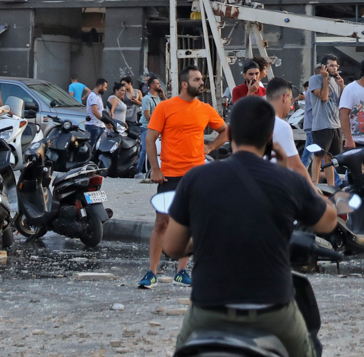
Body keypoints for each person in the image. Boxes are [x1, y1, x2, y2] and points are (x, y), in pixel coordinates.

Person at [164, 96, 337, 357]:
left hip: (209, 310)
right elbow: (328, 221)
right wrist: (291, 175)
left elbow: (172, 246)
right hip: (273, 311)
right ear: (270, 137)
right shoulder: (289, 181)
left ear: (230, 132)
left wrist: (201, 239)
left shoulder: (195, 178)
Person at [140, 66, 229, 289]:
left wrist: (209, 147)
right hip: (169, 175)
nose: (201, 82)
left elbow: (225, 131)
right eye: (197, 79)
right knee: (162, 223)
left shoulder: (206, 109)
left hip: (197, 175)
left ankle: (182, 271)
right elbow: (150, 139)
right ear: (184, 83)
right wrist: (155, 168)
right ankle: (151, 273)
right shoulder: (165, 107)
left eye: (202, 79)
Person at [304, 56, 344, 183]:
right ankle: (315, 185)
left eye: (336, 66)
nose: (335, 68)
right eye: (331, 65)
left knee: (330, 158)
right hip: (321, 125)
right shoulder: (315, 79)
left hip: (335, 125)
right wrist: (325, 78)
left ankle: (331, 186)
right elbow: (324, 97)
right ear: (324, 67)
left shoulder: (336, 81)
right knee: (317, 156)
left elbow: (342, 102)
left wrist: (342, 86)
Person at [266, 79, 313, 185]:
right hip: (275, 186)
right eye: (291, 99)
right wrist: (315, 194)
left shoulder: (256, 121)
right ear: (284, 97)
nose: (290, 104)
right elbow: (296, 166)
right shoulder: (281, 126)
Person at [138, 76, 164, 177]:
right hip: (146, 127)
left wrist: (163, 95)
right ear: (152, 85)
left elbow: (166, 107)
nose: (159, 85)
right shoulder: (147, 99)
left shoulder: (159, 99)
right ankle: (138, 171)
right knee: (145, 148)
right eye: (157, 84)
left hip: (157, 127)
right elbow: (147, 115)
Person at [85, 79, 108, 153]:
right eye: (105, 87)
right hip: (93, 126)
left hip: (99, 126)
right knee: (91, 149)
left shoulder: (98, 96)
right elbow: (95, 111)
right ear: (100, 86)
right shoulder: (93, 96)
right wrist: (104, 121)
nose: (106, 90)